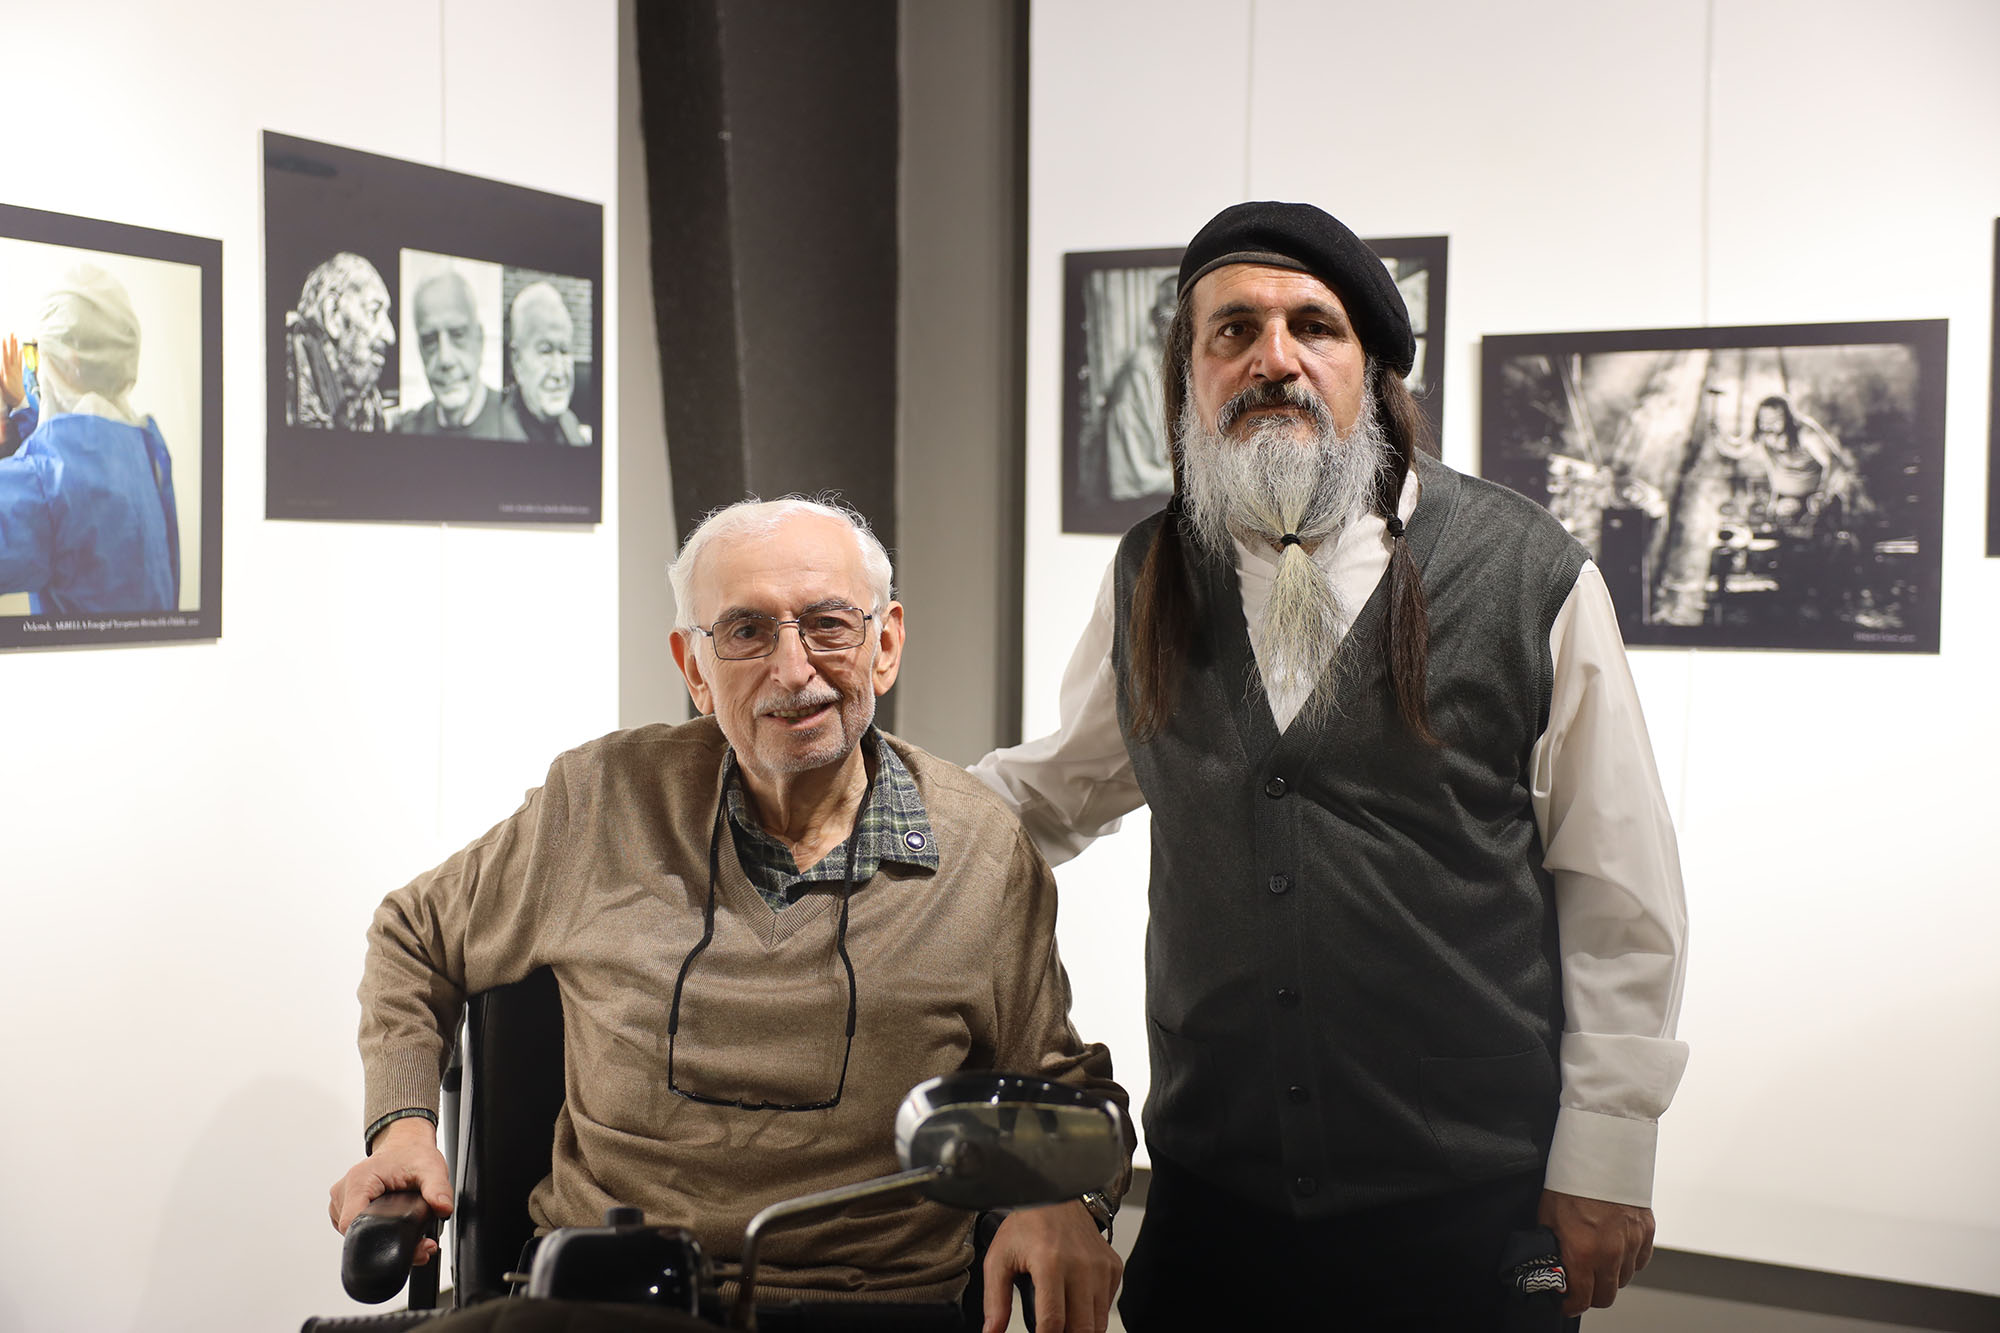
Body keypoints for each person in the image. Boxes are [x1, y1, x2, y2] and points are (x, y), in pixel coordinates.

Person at [974, 201, 1689, 1330]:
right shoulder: (1153, 569)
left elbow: (1618, 887)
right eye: (1233, 331)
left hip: (1464, 1205)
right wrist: (868, 808)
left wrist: (1606, 1150)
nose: (1274, 359)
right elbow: (1058, 785)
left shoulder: (1528, 573)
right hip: (1215, 1202)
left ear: (1372, 369)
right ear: (1189, 376)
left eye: (1313, 326)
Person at [330, 497, 1129, 1333]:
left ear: (886, 644)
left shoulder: (983, 852)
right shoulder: (599, 802)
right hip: (607, 1297)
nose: (793, 669)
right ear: (695, 669)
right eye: (746, 631)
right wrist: (402, 1130)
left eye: (828, 625)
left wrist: (1066, 1197)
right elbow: (415, 935)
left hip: (869, 1309)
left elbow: (1067, 1090)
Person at [0, 267, 180, 615]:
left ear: (70, 362)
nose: (36, 371)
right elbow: (73, 452)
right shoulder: (149, 450)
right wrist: (21, 404)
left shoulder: (47, 479)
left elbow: (50, 482)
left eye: (41, 356)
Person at [286, 252, 395, 432]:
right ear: (333, 314)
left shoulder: (367, 397)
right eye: (373, 312)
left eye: (387, 316)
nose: (390, 336)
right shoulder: (286, 373)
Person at [1098, 273, 1178, 501]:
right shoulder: (1139, 372)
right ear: (1154, 317)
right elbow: (1134, 475)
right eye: (1171, 305)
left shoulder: (1202, 366)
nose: (1179, 316)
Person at [395, 269, 503, 437]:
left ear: (480, 340)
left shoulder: (515, 423)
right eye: (430, 340)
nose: (445, 359)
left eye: (458, 335)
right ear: (420, 350)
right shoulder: (408, 429)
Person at [498, 281, 590, 444]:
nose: (558, 372)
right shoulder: (497, 432)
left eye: (564, 351)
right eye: (545, 351)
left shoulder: (571, 424)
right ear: (517, 360)